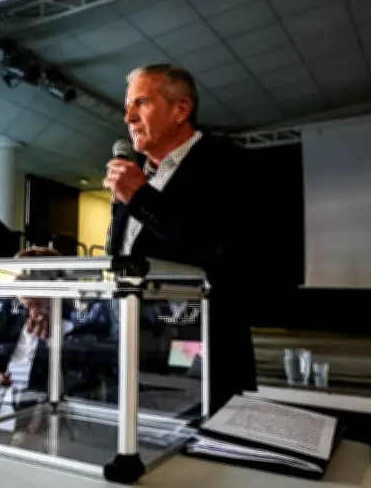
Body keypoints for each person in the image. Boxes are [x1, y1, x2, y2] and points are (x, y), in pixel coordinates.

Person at [103, 63, 258, 412]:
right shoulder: (136, 179)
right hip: (137, 355)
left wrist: (141, 198)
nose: (128, 117)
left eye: (141, 102)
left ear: (181, 109)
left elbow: (223, 252)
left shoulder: (225, 162)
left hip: (205, 357)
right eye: (127, 106)